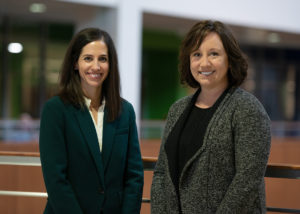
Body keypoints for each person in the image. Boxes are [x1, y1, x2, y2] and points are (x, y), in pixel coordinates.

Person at [151, 20, 271, 213]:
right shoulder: (177, 110)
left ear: (229, 59)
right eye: (197, 54)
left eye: (214, 54)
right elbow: (161, 173)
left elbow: (247, 181)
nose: (204, 63)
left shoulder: (248, 109)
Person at [39, 28, 144, 214]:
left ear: (110, 64)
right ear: (75, 63)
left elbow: (134, 176)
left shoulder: (125, 111)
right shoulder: (55, 110)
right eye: (88, 58)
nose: (96, 66)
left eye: (102, 59)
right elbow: (56, 179)